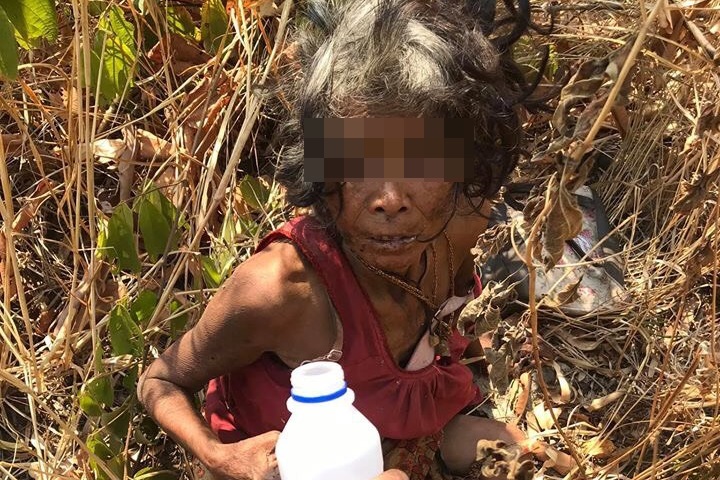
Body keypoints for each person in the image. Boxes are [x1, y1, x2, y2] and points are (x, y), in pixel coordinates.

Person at [137, 0, 539, 478]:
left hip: (408, 434)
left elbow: (455, 319)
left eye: (422, 160)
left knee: (536, 459)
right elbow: (159, 380)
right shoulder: (280, 290)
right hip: (306, 466)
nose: (390, 199)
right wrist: (221, 456)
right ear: (320, 170)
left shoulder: (458, 226)